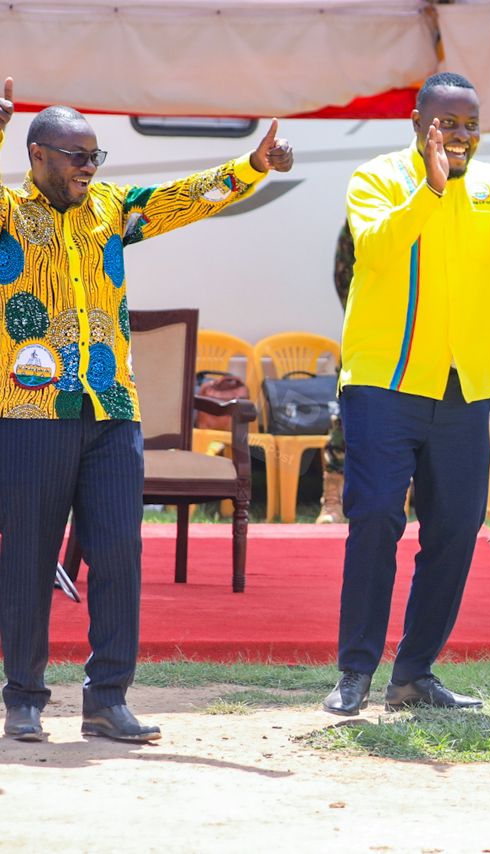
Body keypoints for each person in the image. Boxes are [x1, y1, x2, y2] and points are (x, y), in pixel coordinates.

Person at [0, 77, 293, 743]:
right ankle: (23, 697)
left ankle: (108, 698)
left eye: (96, 157)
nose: (89, 168)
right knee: (26, 557)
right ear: (38, 155)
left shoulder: (111, 208)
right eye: (77, 157)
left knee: (119, 554)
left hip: (112, 411)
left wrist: (247, 167)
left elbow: (182, 201)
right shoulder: (8, 211)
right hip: (29, 413)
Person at [323, 72, 490, 716]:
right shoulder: (377, 178)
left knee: (456, 528)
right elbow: (376, 250)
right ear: (416, 122)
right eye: (446, 123)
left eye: (469, 125)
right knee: (375, 517)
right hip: (386, 381)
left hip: (465, 387)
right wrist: (430, 189)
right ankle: (355, 671)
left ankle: (414, 674)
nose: (459, 136)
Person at [316, 221, 355, 525]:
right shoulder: (368, 205)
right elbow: (342, 275)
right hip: (365, 339)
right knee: (344, 420)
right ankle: (331, 502)